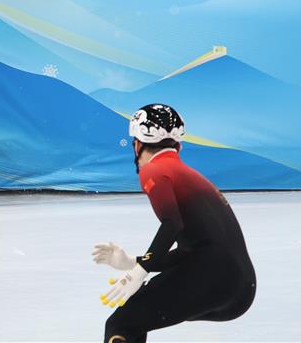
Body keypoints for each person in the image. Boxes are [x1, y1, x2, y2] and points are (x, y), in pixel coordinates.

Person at [92, 104, 256, 342]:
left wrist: (139, 272)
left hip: (210, 275)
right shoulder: (190, 175)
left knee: (122, 323)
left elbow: (171, 225)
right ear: (177, 145)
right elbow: (195, 249)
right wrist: (133, 262)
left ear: (137, 144)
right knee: (136, 317)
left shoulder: (155, 171)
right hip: (241, 288)